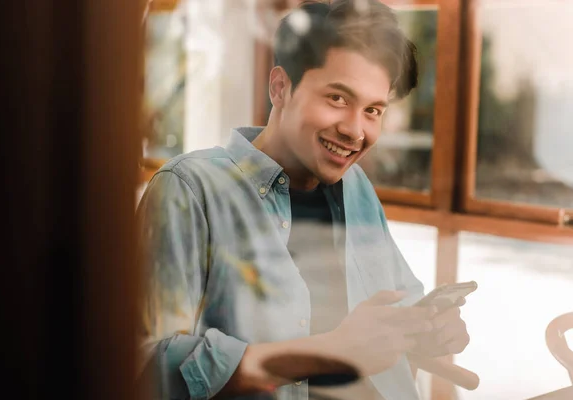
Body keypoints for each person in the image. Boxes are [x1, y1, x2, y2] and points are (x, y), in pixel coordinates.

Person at [137, 1, 470, 399]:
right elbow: (144, 364)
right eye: (337, 99)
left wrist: (427, 330)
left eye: (373, 110)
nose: (355, 131)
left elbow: (397, 301)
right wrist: (323, 354)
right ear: (280, 88)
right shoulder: (189, 190)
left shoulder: (356, 187)